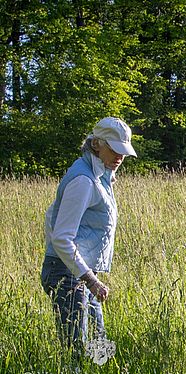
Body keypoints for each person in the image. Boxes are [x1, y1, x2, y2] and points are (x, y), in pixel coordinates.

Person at [41, 117, 136, 358]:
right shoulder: (84, 180)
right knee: (79, 352)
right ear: (96, 144)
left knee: (99, 347)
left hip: (79, 274)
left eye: (123, 151)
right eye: (114, 149)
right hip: (67, 274)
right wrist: (92, 280)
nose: (119, 156)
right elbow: (62, 237)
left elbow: (51, 213)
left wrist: (88, 278)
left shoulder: (98, 175)